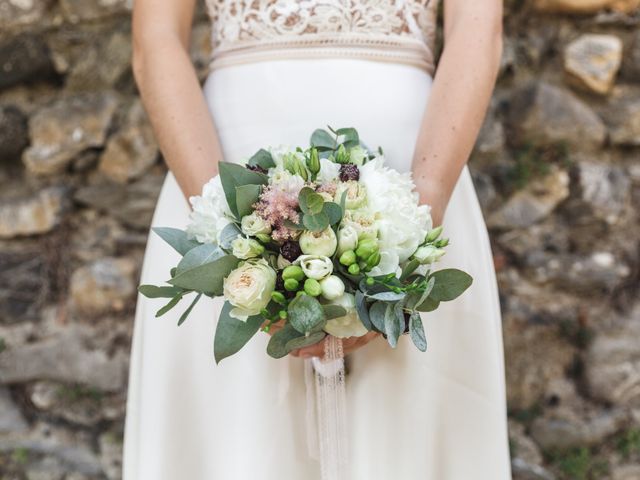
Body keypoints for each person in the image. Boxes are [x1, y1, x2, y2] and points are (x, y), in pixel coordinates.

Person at [123, 0, 510, 478]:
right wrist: (224, 233)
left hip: (417, 165)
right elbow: (156, 40)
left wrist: (408, 239)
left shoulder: (415, 211)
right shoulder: (221, 209)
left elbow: (479, 27)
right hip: (224, 163)